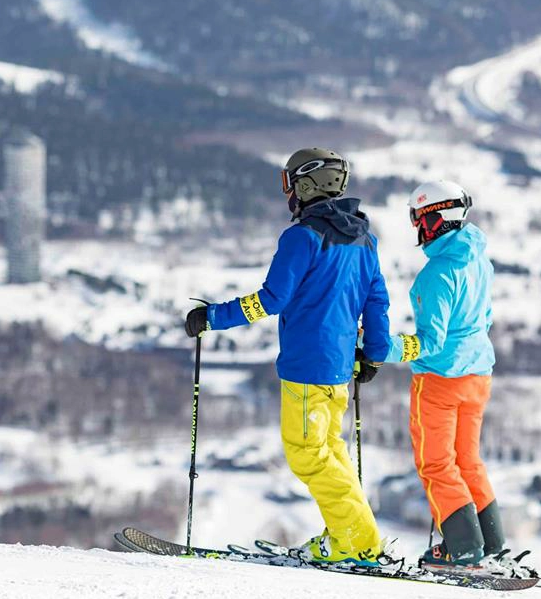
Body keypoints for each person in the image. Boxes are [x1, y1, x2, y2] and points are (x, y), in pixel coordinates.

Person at [184, 148, 391, 566]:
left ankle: (359, 542)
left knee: (307, 454)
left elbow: (272, 299)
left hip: (307, 366)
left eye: (290, 183)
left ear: (307, 184)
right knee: (331, 453)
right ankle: (346, 536)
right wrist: (374, 356)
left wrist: (212, 317)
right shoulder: (363, 239)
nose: (289, 194)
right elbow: (377, 301)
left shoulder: (302, 236)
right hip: (336, 372)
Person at [364, 179, 504, 566]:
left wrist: (381, 347)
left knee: (437, 463)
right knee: (468, 461)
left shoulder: (436, 275)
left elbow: (431, 343)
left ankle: (462, 547)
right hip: (478, 375)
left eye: (419, 222)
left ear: (436, 219)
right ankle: (491, 543)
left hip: (440, 381)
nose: (417, 232)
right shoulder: (479, 259)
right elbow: (485, 319)